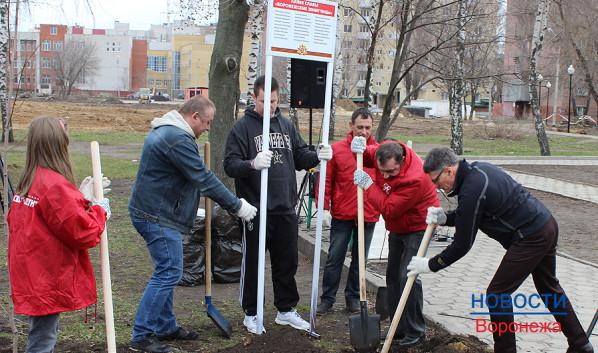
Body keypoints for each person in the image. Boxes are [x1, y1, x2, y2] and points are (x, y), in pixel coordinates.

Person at [407, 148, 594, 353]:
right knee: (548, 287)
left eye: (435, 180)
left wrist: (432, 265)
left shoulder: (471, 189)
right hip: (545, 224)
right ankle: (580, 344)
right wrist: (446, 218)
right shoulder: (477, 171)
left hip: (531, 236)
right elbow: (471, 213)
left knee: (498, 293)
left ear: (449, 171)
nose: (436, 187)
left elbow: (462, 244)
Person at [128, 96, 257, 353]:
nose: (208, 128)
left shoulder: (172, 132)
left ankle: (165, 326)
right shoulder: (175, 138)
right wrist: (237, 206)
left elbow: (194, 177)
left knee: (167, 270)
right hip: (156, 216)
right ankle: (142, 335)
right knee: (169, 271)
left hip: (156, 211)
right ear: (194, 116)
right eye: (207, 122)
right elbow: (204, 179)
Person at [224, 75, 333, 334]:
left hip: (285, 206)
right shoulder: (242, 129)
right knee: (253, 263)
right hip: (255, 209)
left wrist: (317, 155)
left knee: (287, 262)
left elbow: (298, 156)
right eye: (264, 101)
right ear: (254, 98)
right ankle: (251, 313)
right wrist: (252, 163)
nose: (270, 106)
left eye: (273, 101)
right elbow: (229, 165)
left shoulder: (285, 124)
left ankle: (285, 310)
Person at [8, 117, 111, 353]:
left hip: (31, 269)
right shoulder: (54, 184)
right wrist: (99, 208)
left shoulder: (31, 178)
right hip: (44, 273)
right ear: (58, 144)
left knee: (43, 332)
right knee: (43, 338)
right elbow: (82, 232)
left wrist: (80, 198)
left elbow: (54, 217)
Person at [351, 137, 438, 347]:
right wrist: (358, 149)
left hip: (419, 228)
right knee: (392, 276)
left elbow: (389, 208)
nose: (385, 176)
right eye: (382, 171)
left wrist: (369, 185)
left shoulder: (415, 178)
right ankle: (398, 327)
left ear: (400, 162)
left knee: (408, 277)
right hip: (398, 227)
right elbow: (367, 155)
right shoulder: (384, 151)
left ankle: (416, 331)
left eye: (391, 173)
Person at [316, 108, 380, 315]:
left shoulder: (378, 152)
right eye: (359, 127)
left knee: (360, 259)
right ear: (351, 126)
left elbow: (386, 182)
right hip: (343, 214)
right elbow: (326, 180)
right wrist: (323, 207)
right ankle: (327, 299)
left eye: (367, 128)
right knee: (335, 257)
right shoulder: (338, 150)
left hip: (368, 214)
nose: (363, 132)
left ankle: (353, 297)